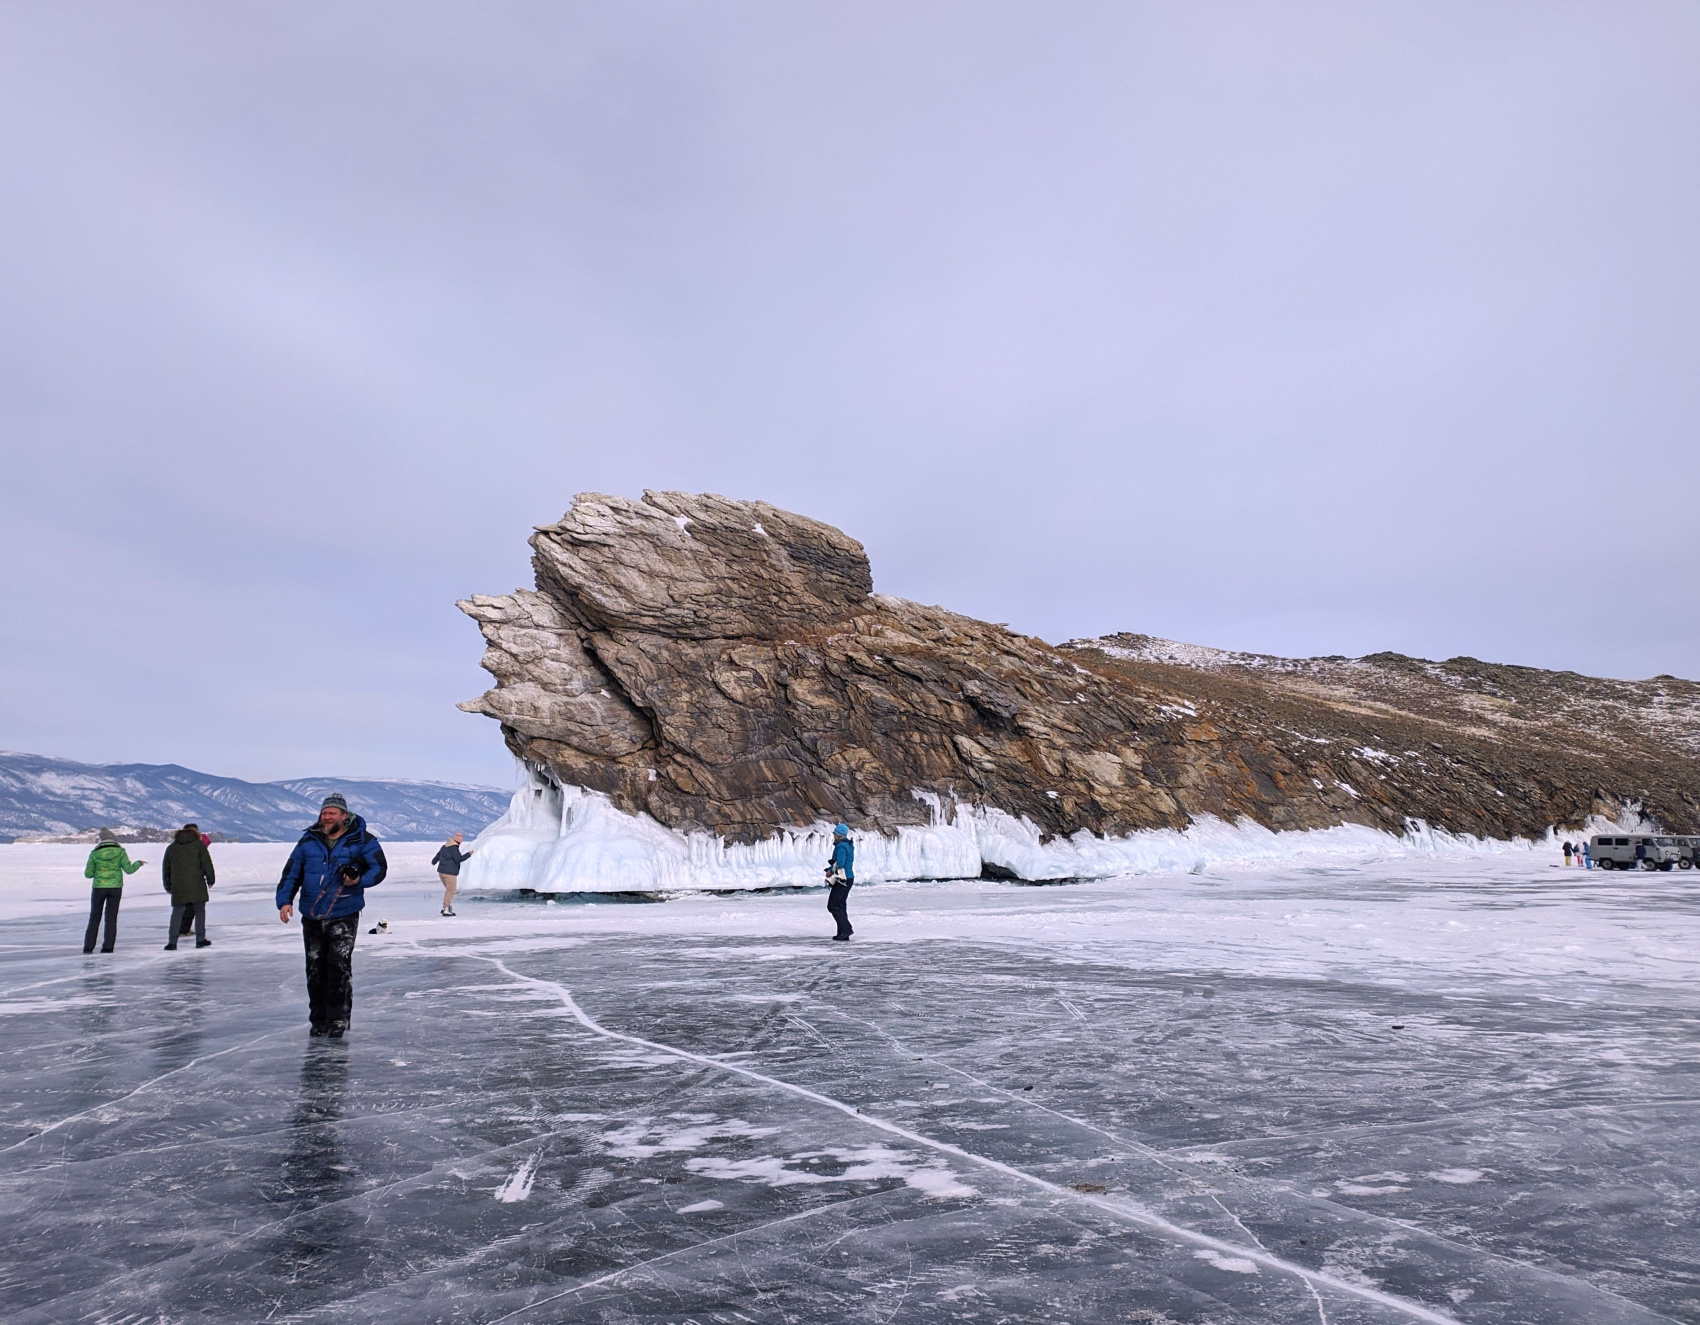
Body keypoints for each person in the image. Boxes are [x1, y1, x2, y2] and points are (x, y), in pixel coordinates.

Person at [276, 793, 387, 1039]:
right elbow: (292, 873)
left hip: (344, 911)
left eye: (332, 813)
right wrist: (285, 901)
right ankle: (318, 1020)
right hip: (312, 913)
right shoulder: (308, 841)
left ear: (344, 816)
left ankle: (338, 1019)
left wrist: (358, 880)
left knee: (338, 966)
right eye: (324, 813)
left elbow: (379, 869)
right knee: (315, 969)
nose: (326, 817)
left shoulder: (362, 840)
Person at [83, 829, 144, 953]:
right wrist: (138, 863)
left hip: (99, 888)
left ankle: (88, 947)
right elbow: (129, 870)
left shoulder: (94, 853)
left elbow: (88, 874)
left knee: (94, 917)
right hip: (115, 888)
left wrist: (99, 872)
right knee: (111, 919)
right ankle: (108, 947)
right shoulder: (120, 852)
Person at [162, 822, 216, 949]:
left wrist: (167, 885)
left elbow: (166, 869)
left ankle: (172, 942)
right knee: (199, 912)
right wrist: (210, 879)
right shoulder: (199, 846)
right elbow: (207, 864)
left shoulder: (171, 848)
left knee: (177, 913)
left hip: (178, 886)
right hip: (197, 884)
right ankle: (200, 939)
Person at [824, 823, 854, 941]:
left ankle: (846, 929)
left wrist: (830, 871)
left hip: (842, 879)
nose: (833, 835)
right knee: (841, 905)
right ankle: (842, 933)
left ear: (838, 835)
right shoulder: (848, 845)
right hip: (849, 878)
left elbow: (840, 864)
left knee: (833, 905)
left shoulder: (841, 846)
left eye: (835, 833)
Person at [431, 832, 472, 916]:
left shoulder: (445, 846)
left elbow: (437, 856)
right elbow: (458, 859)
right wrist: (468, 854)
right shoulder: (454, 849)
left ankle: (446, 907)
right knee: (451, 891)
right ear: (458, 841)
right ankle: (446, 908)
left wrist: (433, 862)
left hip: (441, 872)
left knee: (449, 890)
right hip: (450, 873)